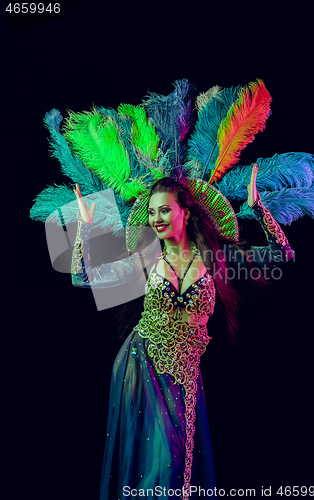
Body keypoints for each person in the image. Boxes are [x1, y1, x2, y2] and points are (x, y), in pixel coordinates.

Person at [71, 164, 293, 499]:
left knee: (176, 467)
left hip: (186, 377)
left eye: (164, 210)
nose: (156, 218)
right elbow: (81, 276)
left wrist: (258, 208)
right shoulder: (145, 260)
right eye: (151, 212)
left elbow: (282, 254)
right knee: (160, 466)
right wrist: (84, 229)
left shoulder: (218, 258)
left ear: (185, 213)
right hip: (141, 365)